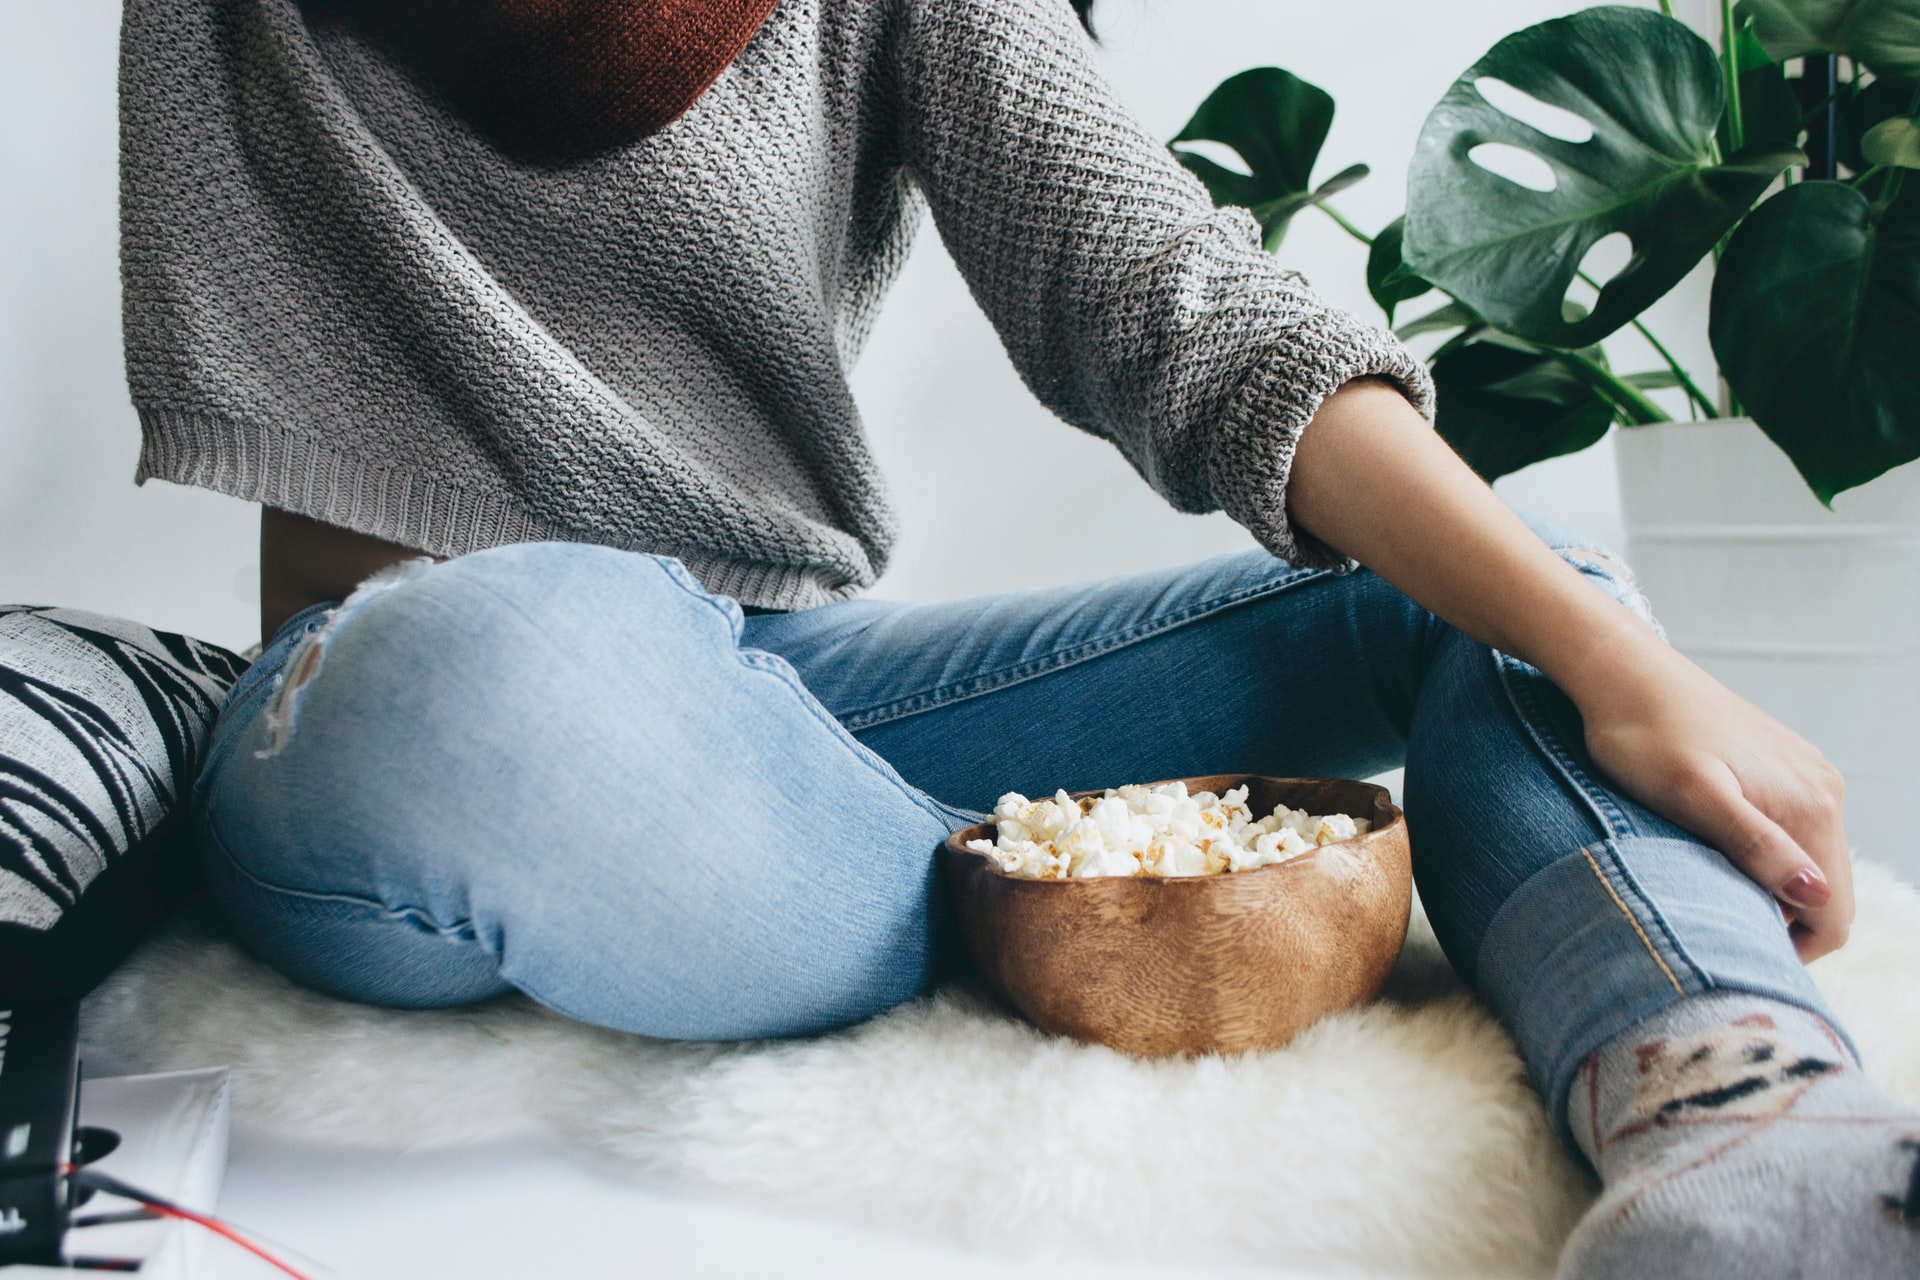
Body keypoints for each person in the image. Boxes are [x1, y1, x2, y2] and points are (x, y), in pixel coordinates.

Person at [119, 0, 1917, 1274]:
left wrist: (1629, 668)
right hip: (400, 710)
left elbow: (1175, 304)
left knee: (1513, 586)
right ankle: (1047, 901)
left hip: (782, 696)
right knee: (507, 661)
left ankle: (1735, 1110)